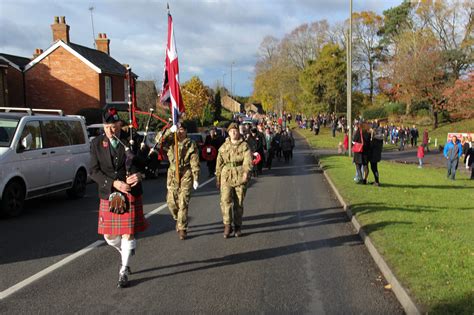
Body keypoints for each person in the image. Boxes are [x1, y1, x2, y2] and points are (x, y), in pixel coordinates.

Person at [90, 108, 148, 288]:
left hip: (130, 191)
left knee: (128, 233)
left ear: (120, 124)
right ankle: (125, 250)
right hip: (110, 192)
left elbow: (147, 163)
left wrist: (139, 175)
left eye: (113, 126)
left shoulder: (133, 138)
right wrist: (114, 183)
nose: (110, 131)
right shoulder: (97, 143)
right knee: (109, 235)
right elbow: (93, 171)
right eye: (106, 127)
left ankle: (124, 269)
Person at [161, 122, 200, 240]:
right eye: (178, 129)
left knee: (183, 202)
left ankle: (182, 228)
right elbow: (159, 140)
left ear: (186, 131)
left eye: (182, 129)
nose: (180, 132)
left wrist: (195, 177)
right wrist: (169, 131)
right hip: (172, 174)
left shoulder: (191, 144)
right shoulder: (171, 141)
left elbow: (194, 160)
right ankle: (178, 219)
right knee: (171, 201)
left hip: (186, 173)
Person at [215, 123, 252, 238]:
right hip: (226, 175)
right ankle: (227, 225)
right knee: (225, 201)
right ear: (228, 133)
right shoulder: (223, 146)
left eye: (235, 131)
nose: (233, 133)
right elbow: (219, 163)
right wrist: (218, 178)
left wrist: (246, 172)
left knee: (238, 203)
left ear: (238, 132)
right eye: (231, 131)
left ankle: (237, 226)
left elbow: (248, 160)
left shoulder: (244, 145)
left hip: (240, 174)